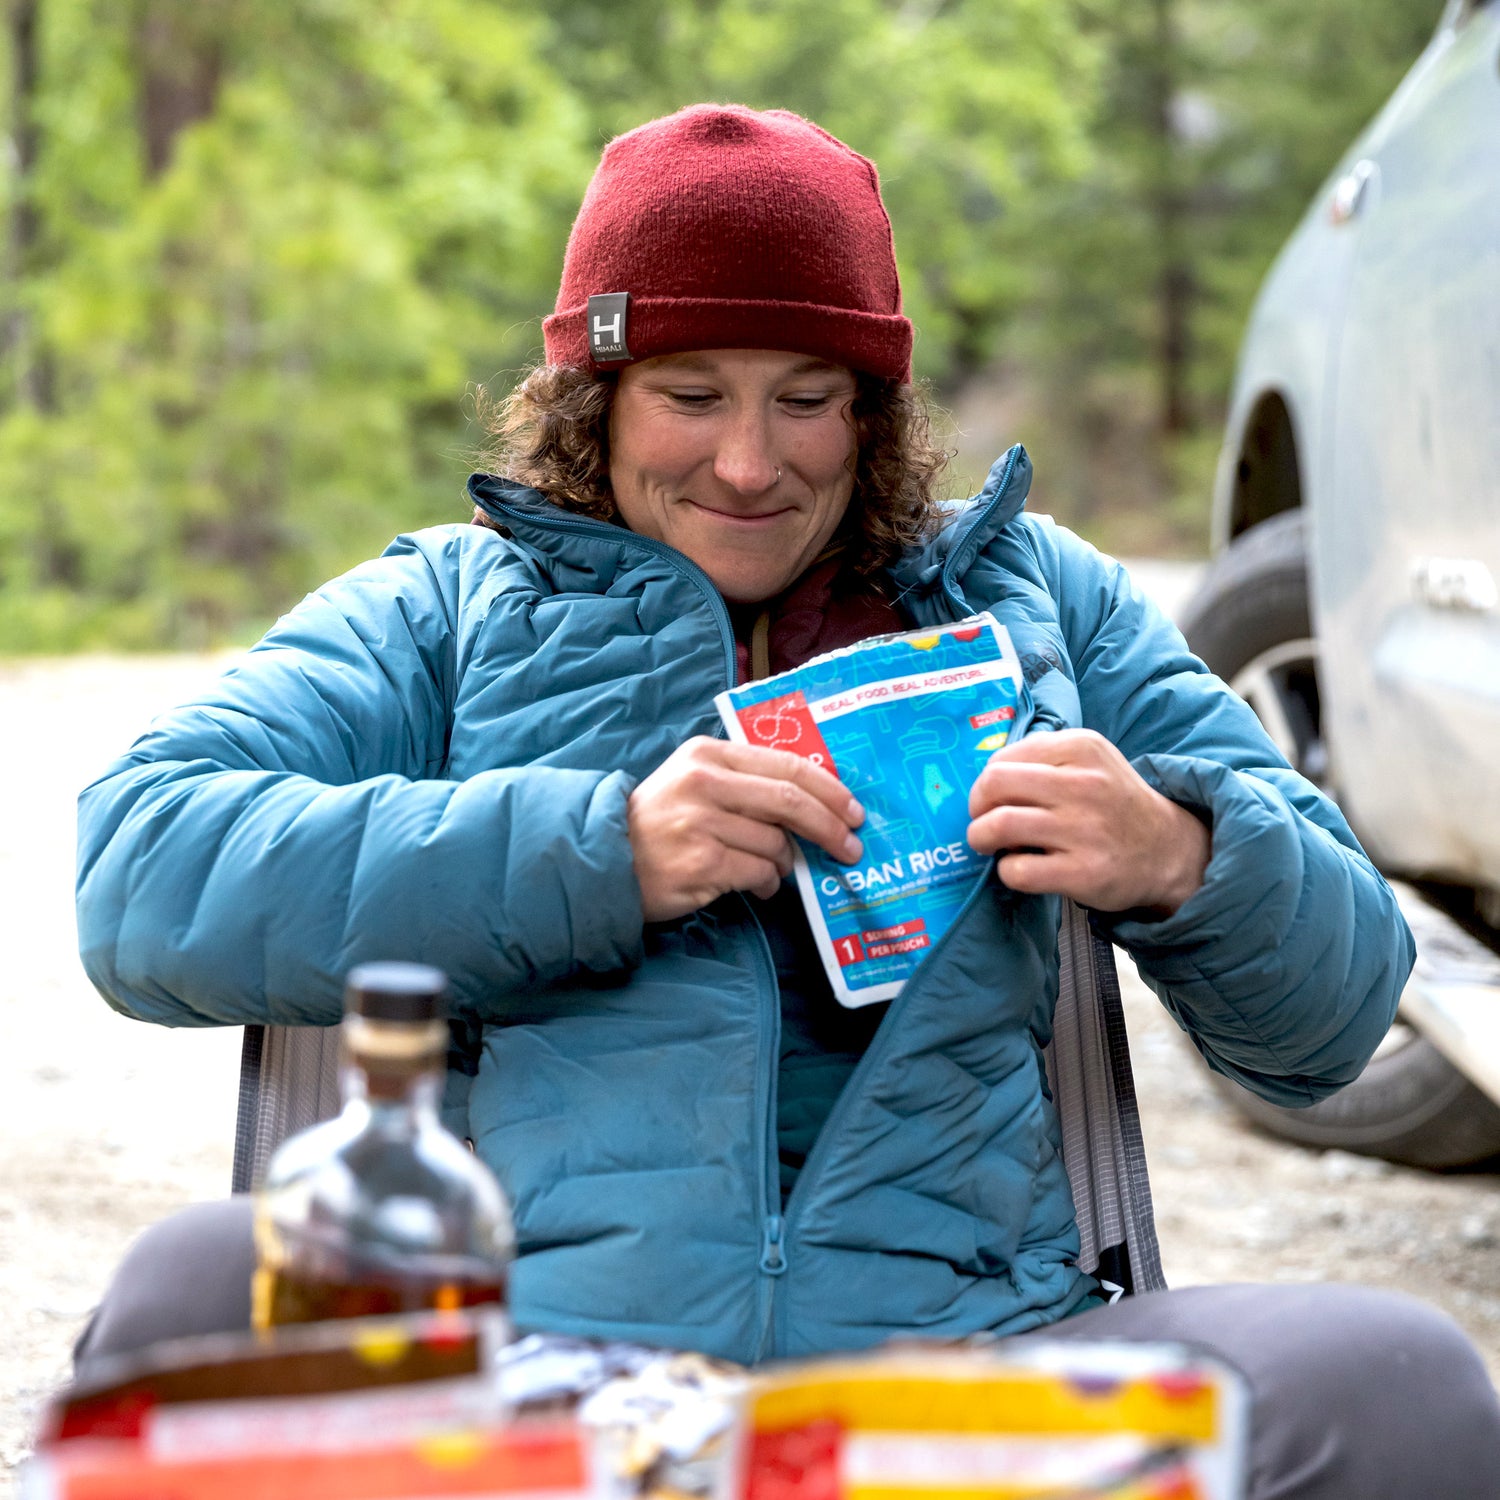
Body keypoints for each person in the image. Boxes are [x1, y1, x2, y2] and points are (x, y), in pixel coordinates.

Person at [74, 104, 1500, 1495]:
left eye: (806, 401)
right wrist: (603, 851)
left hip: (967, 1386)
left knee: (1401, 1382)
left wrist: (1183, 856)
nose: (750, 462)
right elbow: (138, 872)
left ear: (870, 418)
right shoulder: (444, 611)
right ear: (595, 401)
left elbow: (1337, 1014)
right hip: (533, 1386)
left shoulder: (1038, 597)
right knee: (190, 1290)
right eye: (691, 396)